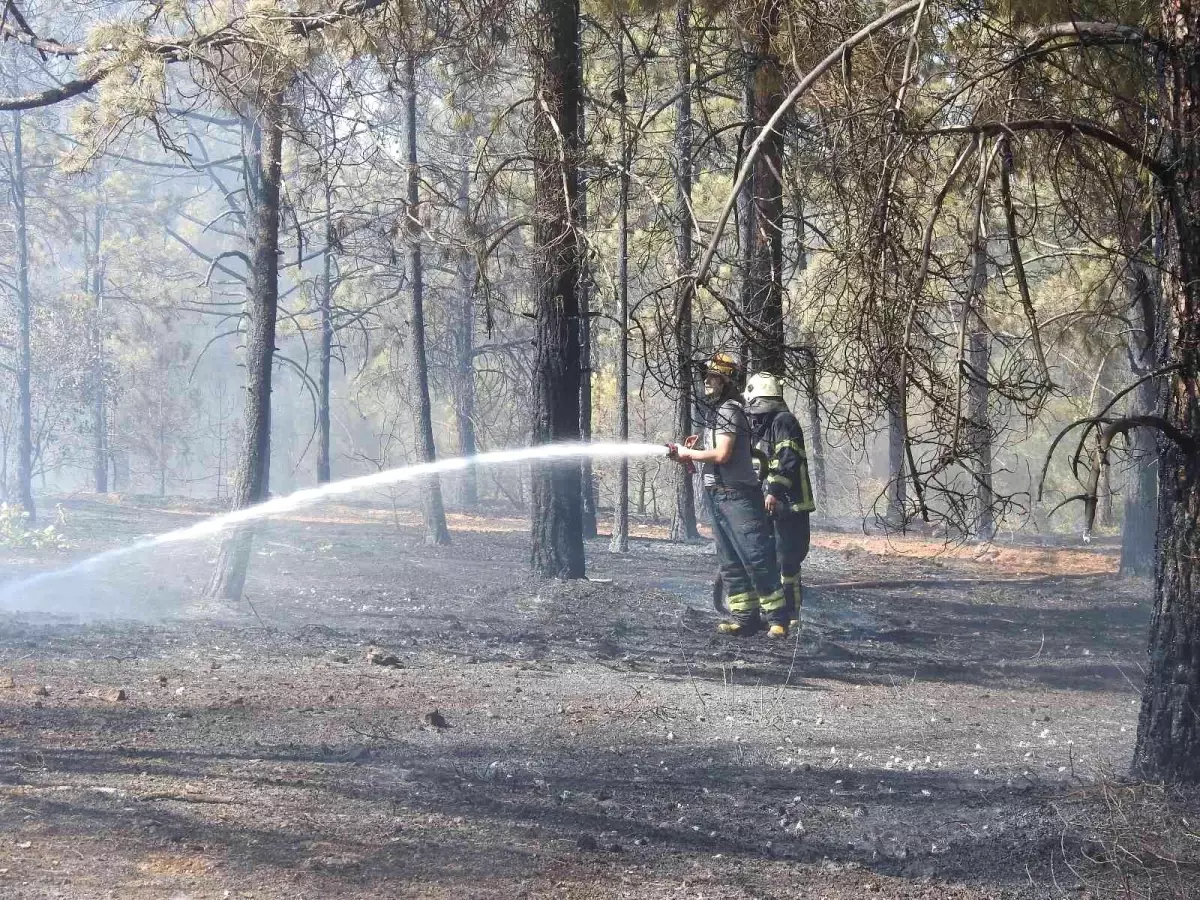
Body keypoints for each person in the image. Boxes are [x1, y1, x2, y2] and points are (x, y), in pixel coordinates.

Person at [668, 353, 789, 637]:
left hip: (738, 496)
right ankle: (745, 617)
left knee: (756, 555)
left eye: (713, 376)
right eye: (706, 376)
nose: (707, 381)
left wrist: (690, 454)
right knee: (730, 559)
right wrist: (689, 456)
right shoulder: (717, 412)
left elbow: (722, 454)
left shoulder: (729, 410)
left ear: (727, 380)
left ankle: (777, 619)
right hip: (718, 495)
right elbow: (714, 454)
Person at [744, 372, 816, 629]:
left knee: (788, 559)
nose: (753, 416)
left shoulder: (783, 421)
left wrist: (773, 489)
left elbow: (787, 457)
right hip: (771, 504)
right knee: (770, 558)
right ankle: (774, 612)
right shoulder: (765, 426)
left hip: (791, 504)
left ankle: (792, 614)